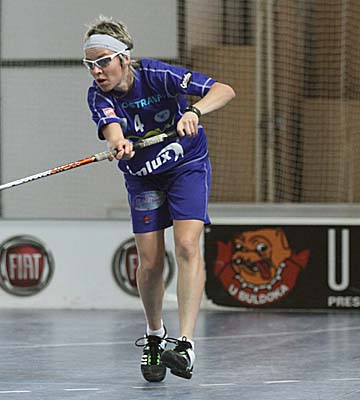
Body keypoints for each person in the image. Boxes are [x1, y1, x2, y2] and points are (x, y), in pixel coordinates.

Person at [83, 16, 235, 381]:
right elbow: (111, 127)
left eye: (103, 61)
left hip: (186, 166)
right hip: (143, 178)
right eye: (89, 64)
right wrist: (118, 142)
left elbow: (224, 90)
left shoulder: (158, 75)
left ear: (124, 58)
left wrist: (194, 111)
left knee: (186, 245)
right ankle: (155, 335)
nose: (97, 71)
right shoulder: (98, 95)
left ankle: (185, 345)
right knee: (150, 262)